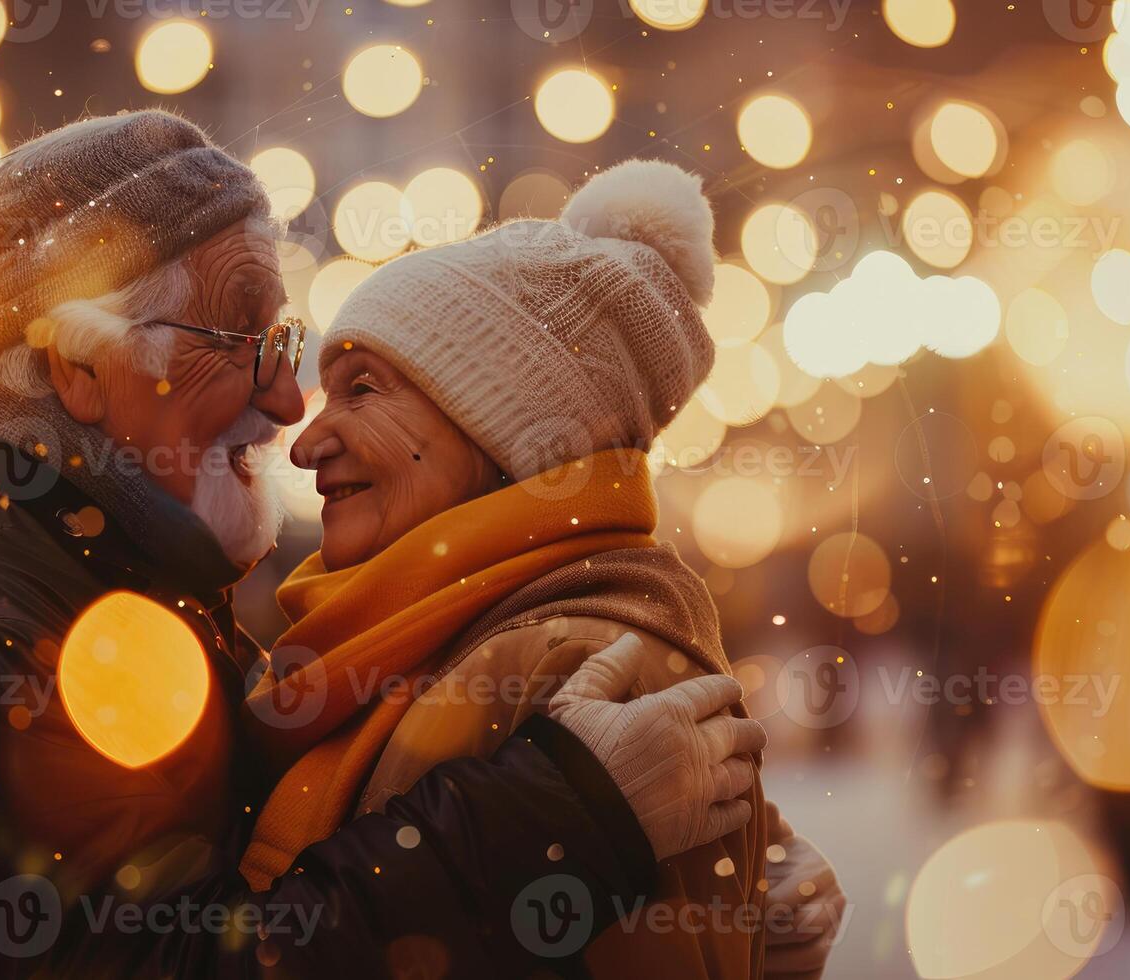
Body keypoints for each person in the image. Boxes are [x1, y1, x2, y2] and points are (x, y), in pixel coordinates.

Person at [0, 111, 765, 979]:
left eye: (292, 349)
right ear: (85, 374)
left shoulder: (81, 561)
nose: (287, 404)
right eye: (245, 340)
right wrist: (563, 809)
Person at [264, 159, 844, 977]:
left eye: (362, 389)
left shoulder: (582, 665)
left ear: (507, 429)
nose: (306, 442)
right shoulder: (424, 645)